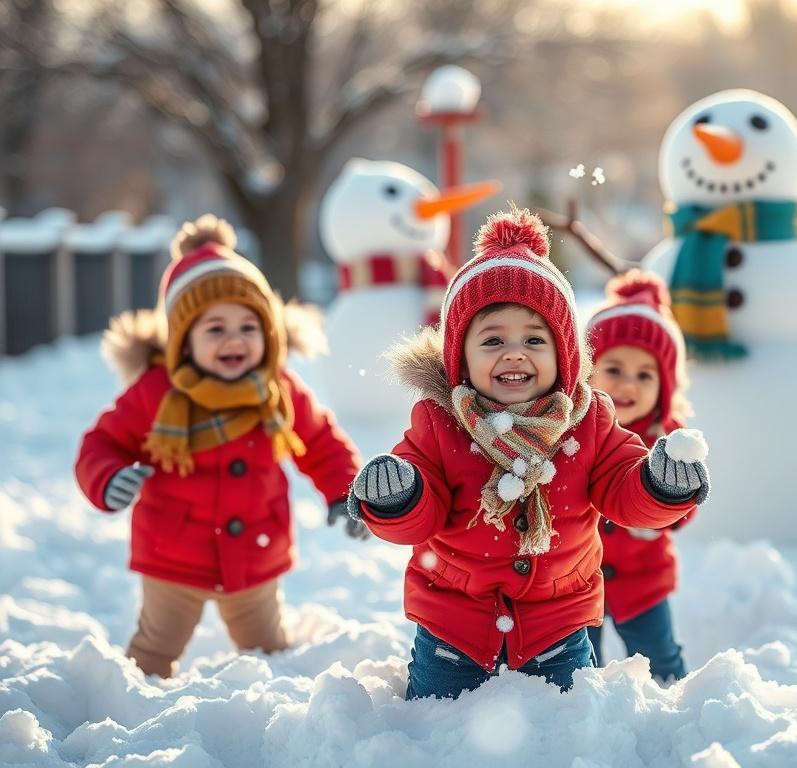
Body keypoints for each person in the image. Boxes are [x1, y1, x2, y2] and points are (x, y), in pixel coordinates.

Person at [345, 206, 710, 699]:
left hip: (555, 624)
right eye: (492, 339)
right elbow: (422, 516)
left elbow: (624, 488)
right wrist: (398, 499)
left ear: (564, 355)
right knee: (435, 730)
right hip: (453, 625)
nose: (514, 353)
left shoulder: (589, 418)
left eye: (535, 339)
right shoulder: (437, 423)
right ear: (460, 357)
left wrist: (659, 486)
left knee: (566, 729)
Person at [75, 214, 363, 678]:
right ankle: (136, 709)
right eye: (215, 329)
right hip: (172, 558)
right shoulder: (155, 391)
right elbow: (101, 443)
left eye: (248, 328)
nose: (235, 340)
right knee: (153, 653)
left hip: (255, 556)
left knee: (269, 654)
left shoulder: (278, 389)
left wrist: (344, 491)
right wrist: (108, 477)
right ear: (183, 342)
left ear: (268, 334)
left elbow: (321, 442)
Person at [586, 269, 694, 684]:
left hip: (644, 583)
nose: (628, 383)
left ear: (664, 388)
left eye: (645, 375)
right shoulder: (573, 432)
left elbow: (683, 511)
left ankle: (673, 704)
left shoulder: (670, 442)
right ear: (588, 372)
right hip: (577, 580)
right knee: (581, 667)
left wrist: (669, 499)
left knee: (660, 657)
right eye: (614, 368)